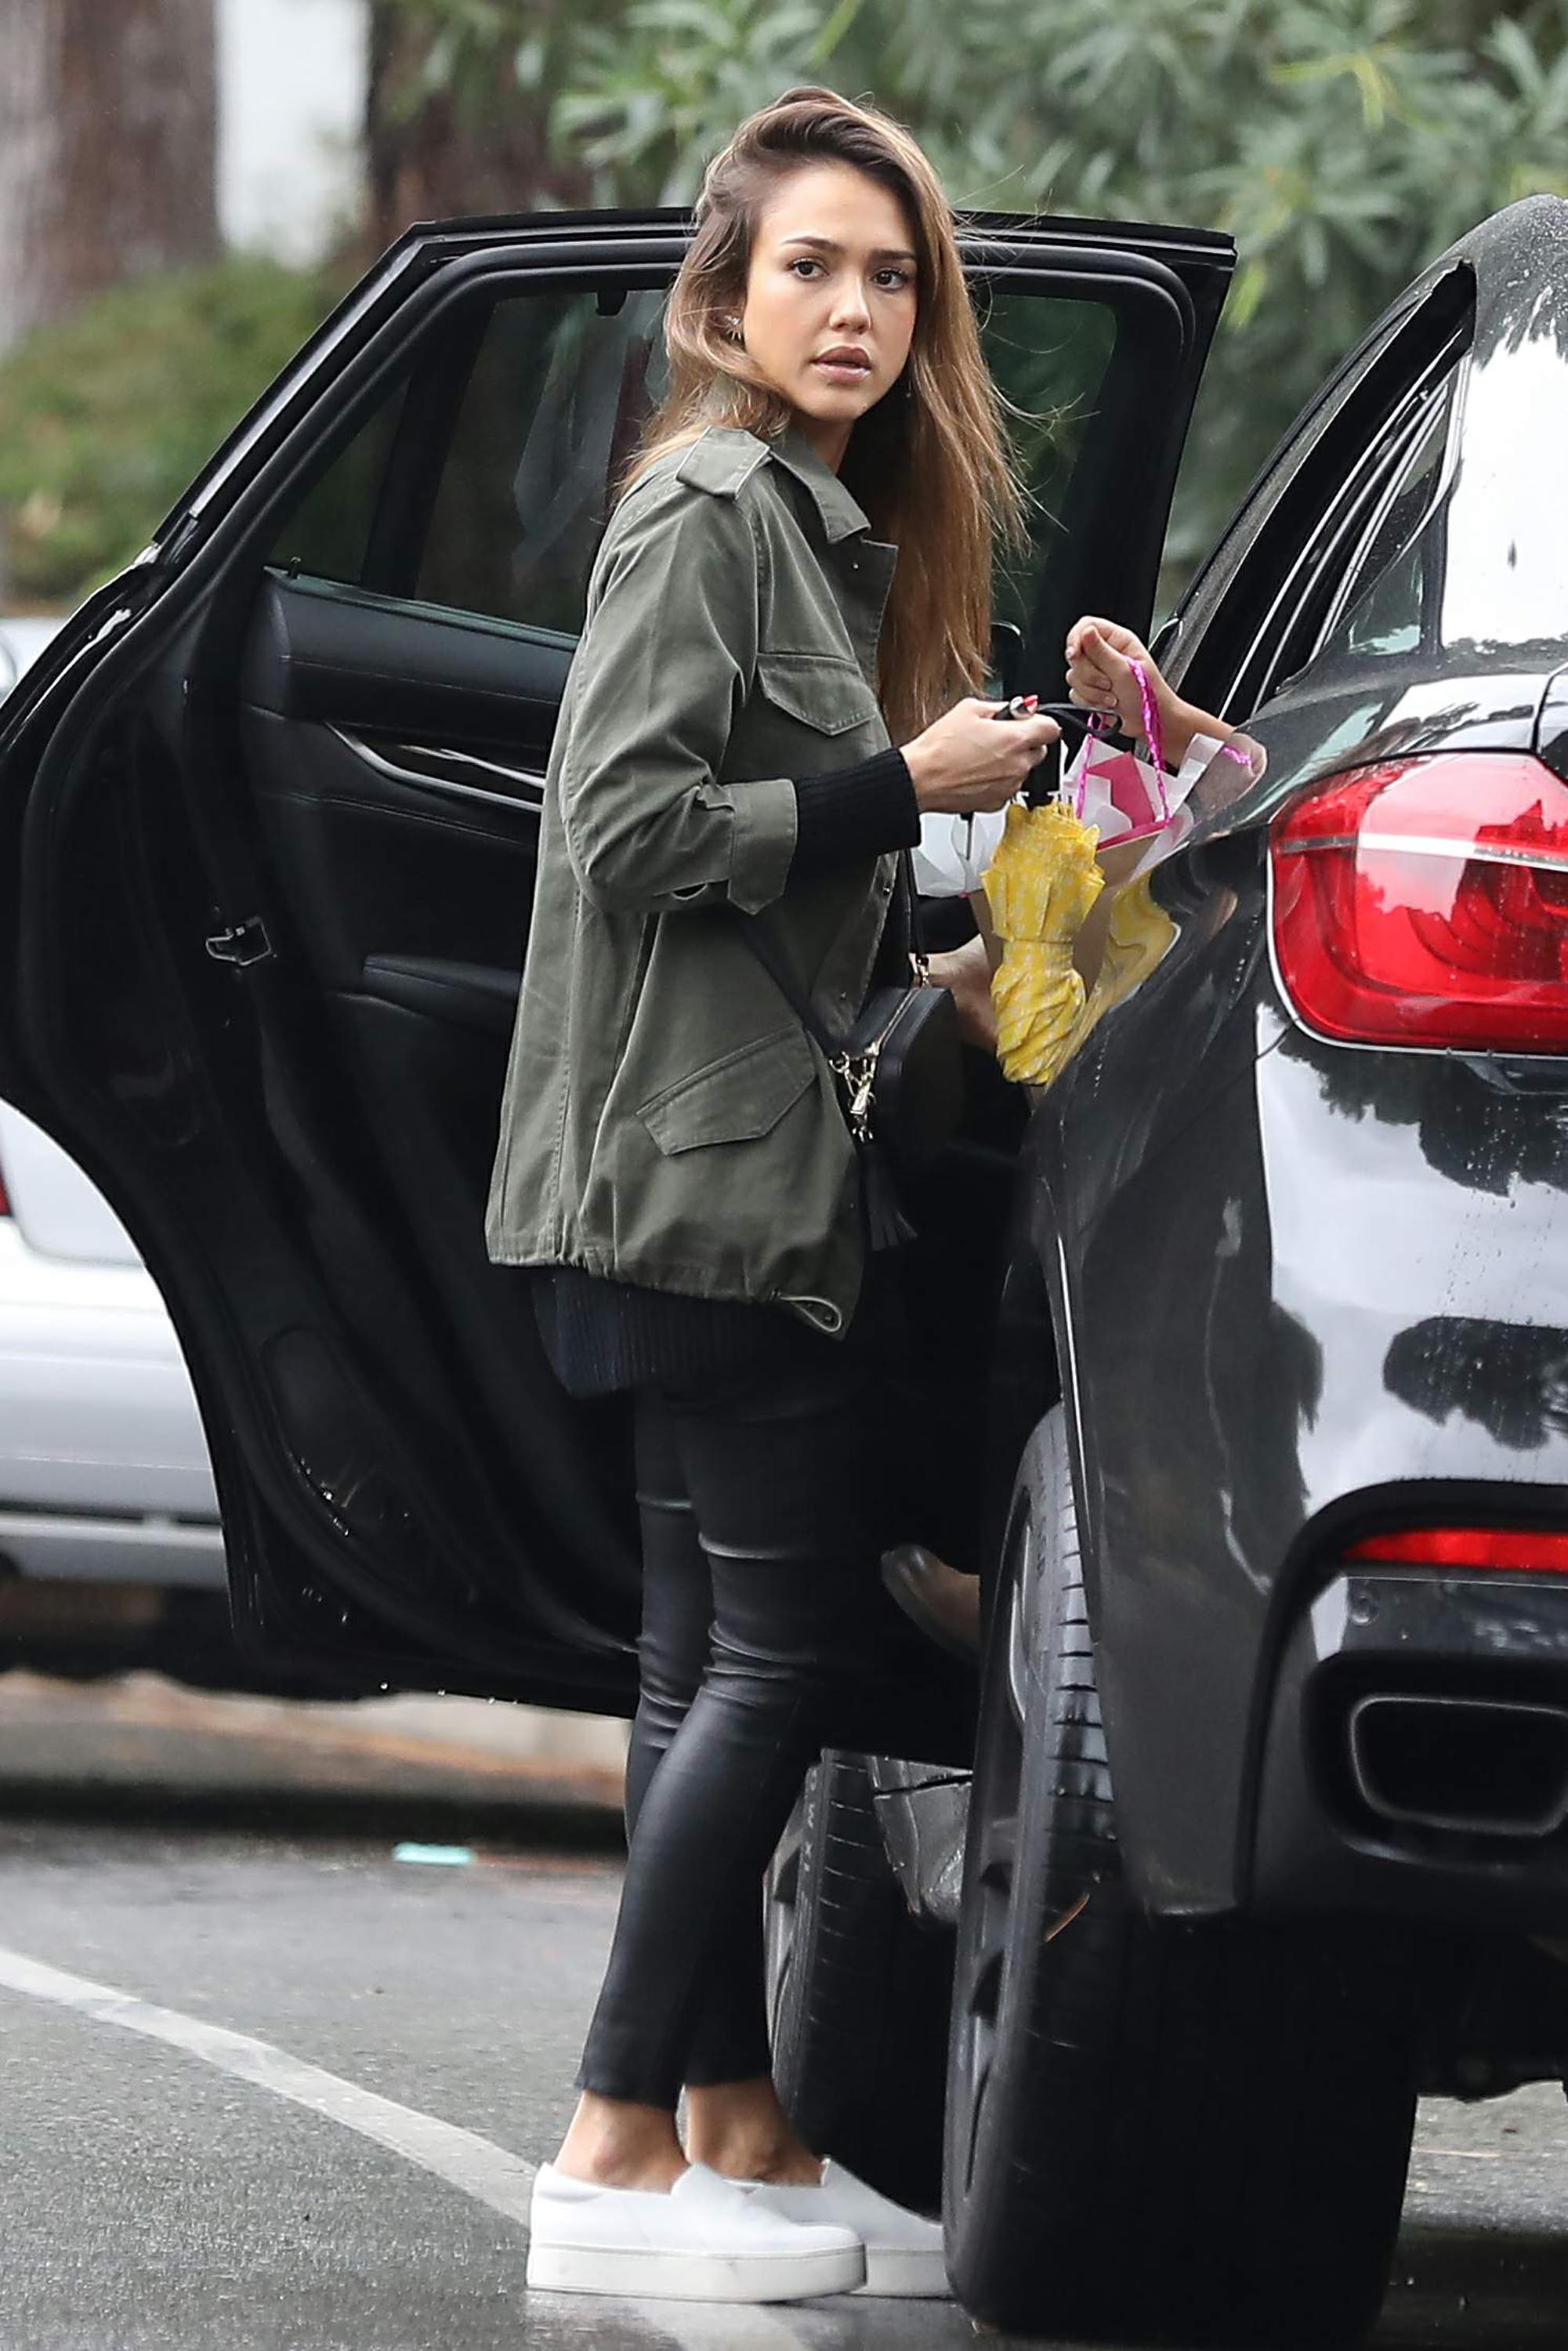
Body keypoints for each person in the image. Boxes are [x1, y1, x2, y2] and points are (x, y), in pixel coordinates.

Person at [487, 84, 1087, 2302]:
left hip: (709, 1158)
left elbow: (756, 877)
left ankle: (718, 2131)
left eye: (888, 272)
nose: (851, 306)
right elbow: (625, 828)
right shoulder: (711, 508)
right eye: (807, 267)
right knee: (787, 1650)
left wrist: (948, 909)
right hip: (701, 1178)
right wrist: (890, 784)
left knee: (697, 1665)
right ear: (721, 298)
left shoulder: (800, 518)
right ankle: (604, 2141)